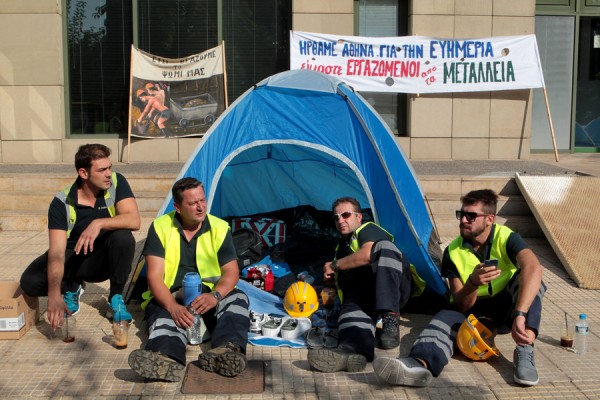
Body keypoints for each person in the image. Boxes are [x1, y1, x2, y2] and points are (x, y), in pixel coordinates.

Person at [373, 189, 546, 387]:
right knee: (445, 316)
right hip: (472, 311)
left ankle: (525, 349)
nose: (463, 220)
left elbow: (533, 266)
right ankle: (418, 364)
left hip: (507, 310)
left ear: (489, 219)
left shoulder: (507, 238)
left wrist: (521, 313)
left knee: (533, 280)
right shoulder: (453, 251)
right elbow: (460, 304)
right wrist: (473, 283)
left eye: (471, 216)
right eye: (461, 214)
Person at [128, 177, 250, 382]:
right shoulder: (161, 227)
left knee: (237, 299)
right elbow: (155, 278)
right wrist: (173, 307)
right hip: (173, 295)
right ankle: (166, 357)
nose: (201, 207)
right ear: (177, 207)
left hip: (208, 297)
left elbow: (231, 272)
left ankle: (227, 351)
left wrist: (215, 295)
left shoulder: (219, 228)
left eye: (202, 200)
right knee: (164, 314)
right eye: (193, 203)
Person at [20, 144, 140, 331]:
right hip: (74, 259)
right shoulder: (62, 202)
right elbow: (57, 253)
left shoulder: (117, 182)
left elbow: (134, 220)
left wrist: (98, 223)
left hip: (103, 259)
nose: (108, 173)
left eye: (110, 167)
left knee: (123, 237)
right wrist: (53, 295)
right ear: (83, 173)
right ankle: (70, 286)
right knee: (30, 282)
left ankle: (115, 297)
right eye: (102, 170)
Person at [307, 197, 413, 373]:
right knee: (350, 316)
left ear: (359, 217)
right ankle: (351, 353)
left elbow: (367, 254)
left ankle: (390, 320)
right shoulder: (339, 248)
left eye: (346, 215)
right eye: (336, 217)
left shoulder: (368, 229)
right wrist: (330, 280)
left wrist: (334, 265)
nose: (341, 220)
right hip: (364, 296)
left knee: (384, 247)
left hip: (394, 289)